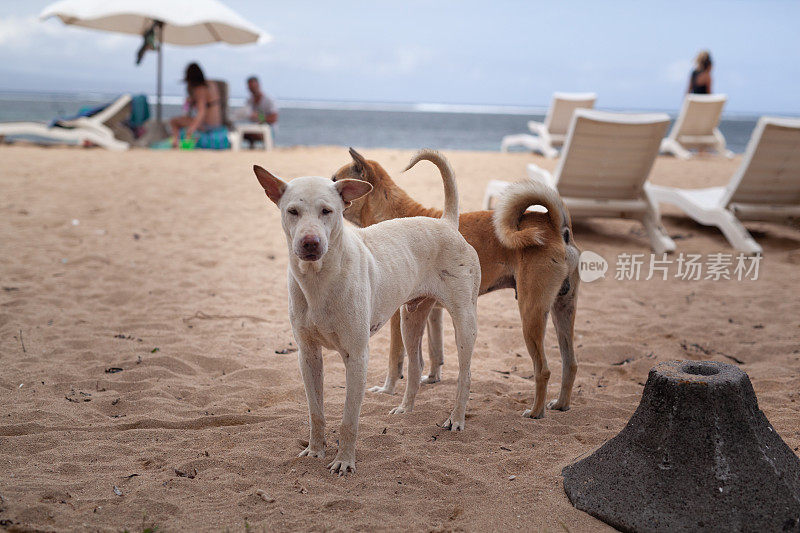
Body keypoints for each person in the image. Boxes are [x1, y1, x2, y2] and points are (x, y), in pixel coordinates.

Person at [169, 62, 223, 148]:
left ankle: (175, 142)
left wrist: (191, 129)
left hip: (208, 125)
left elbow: (202, 111)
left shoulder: (200, 90)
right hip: (217, 123)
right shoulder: (211, 84)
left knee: (174, 121)